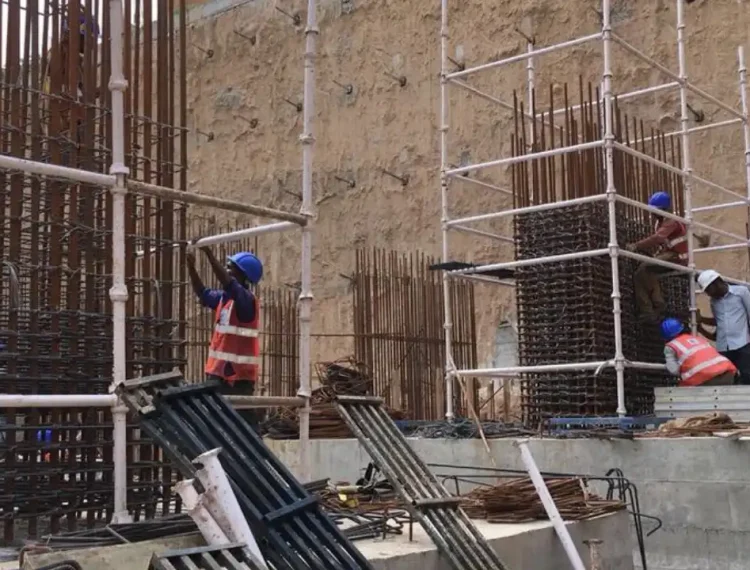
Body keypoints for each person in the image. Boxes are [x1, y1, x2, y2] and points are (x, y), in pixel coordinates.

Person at [186, 247, 263, 425]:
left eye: (231, 267)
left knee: (241, 426)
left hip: (237, 379)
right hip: (218, 374)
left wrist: (210, 256)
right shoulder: (224, 299)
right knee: (216, 424)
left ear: (243, 275)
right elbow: (203, 293)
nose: (227, 270)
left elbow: (228, 283)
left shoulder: (246, 301)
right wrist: (191, 267)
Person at [626, 191, 688, 324]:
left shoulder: (671, 221)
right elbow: (664, 243)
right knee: (641, 273)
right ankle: (653, 307)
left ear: (663, 209)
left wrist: (636, 246)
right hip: (671, 254)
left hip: (678, 257)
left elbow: (658, 238)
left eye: (655, 210)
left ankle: (651, 309)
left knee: (646, 267)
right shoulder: (660, 222)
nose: (652, 213)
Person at [696, 269, 750, 385]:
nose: (709, 294)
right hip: (723, 347)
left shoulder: (741, 292)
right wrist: (701, 320)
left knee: (747, 376)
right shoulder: (714, 302)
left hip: (742, 344)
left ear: (717, 282)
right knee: (727, 379)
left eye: (709, 290)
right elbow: (719, 322)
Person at [661, 318, 737, 386]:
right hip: (727, 373)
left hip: (705, 377)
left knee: (680, 393)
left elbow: (673, 370)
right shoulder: (698, 339)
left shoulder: (670, 346)